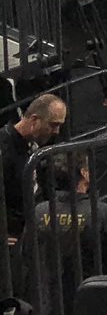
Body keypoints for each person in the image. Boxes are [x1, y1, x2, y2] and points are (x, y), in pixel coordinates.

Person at [30, 157, 107, 302]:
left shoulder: (39, 211)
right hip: (92, 297)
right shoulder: (100, 211)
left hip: (49, 299)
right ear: (84, 173)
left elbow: (27, 252)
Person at [1, 94, 65, 241]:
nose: (57, 131)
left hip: (35, 228)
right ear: (34, 120)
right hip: (14, 235)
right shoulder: (4, 149)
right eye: (53, 125)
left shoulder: (34, 143)